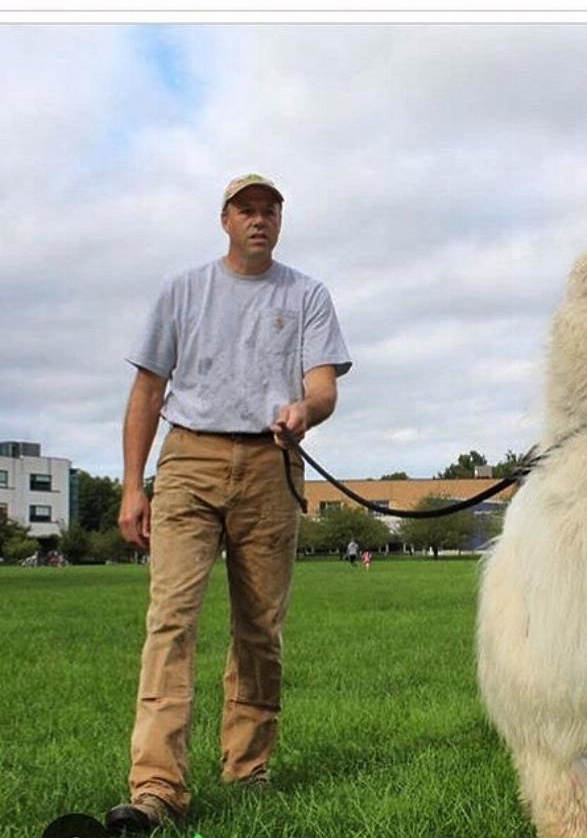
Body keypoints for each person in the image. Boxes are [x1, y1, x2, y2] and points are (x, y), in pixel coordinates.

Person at [106, 174, 352, 834]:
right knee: (171, 621)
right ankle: (157, 787)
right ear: (224, 220)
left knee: (259, 629)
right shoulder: (183, 290)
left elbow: (323, 384)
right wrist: (133, 487)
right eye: (247, 209)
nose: (260, 219)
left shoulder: (307, 295)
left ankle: (248, 769)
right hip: (189, 459)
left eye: (271, 210)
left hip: (271, 466)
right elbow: (146, 391)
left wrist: (307, 408)